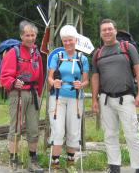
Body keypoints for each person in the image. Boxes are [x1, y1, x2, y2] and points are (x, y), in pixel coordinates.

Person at [91, 19, 139, 173]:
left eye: (110, 29)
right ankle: (114, 167)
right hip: (106, 99)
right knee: (109, 135)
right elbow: (95, 77)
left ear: (115, 31)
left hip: (127, 98)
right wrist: (94, 99)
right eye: (104, 30)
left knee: (132, 134)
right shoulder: (98, 53)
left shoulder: (127, 47)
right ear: (100, 33)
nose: (107, 32)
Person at [0, 20, 44, 172]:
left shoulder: (36, 53)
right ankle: (13, 160)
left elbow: (41, 76)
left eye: (33, 35)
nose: (30, 38)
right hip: (17, 94)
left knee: (33, 129)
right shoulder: (14, 52)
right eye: (27, 35)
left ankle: (33, 161)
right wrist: (13, 82)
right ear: (21, 36)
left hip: (33, 94)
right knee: (16, 128)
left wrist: (38, 94)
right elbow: (4, 76)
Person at [47, 25, 89, 171]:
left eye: (70, 40)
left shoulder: (82, 58)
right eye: (64, 41)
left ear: (75, 40)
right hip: (57, 97)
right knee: (58, 130)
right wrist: (54, 82)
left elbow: (86, 81)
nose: (67, 43)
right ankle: (55, 164)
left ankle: (70, 164)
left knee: (73, 130)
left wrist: (81, 85)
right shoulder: (57, 57)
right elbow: (50, 78)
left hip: (76, 98)